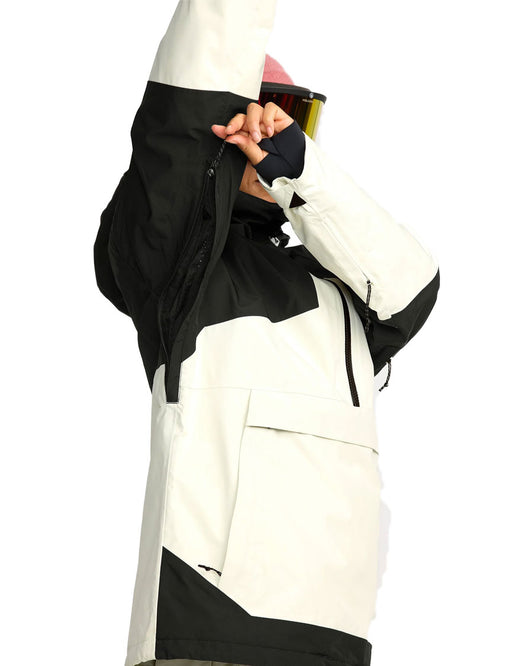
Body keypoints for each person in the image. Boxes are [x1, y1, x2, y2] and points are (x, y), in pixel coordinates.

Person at [93, 2, 440, 666]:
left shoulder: (337, 284)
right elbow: (180, 124)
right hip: (212, 624)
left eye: (289, 121)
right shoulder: (178, 274)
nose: (269, 137)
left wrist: (301, 171)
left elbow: (411, 286)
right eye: (256, 118)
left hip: (334, 634)